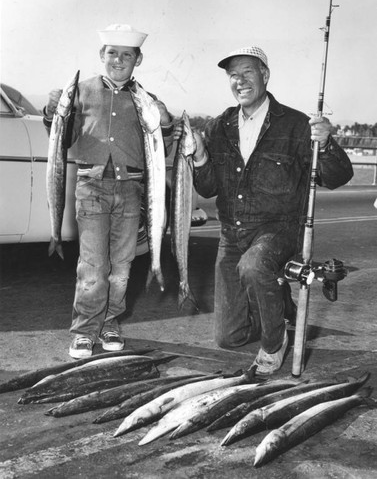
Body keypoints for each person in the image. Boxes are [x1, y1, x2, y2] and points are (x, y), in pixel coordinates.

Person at [188, 46, 353, 375]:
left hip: (277, 231)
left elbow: (338, 177)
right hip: (232, 235)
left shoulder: (295, 125)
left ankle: (274, 344)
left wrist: (328, 142)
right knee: (228, 338)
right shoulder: (220, 126)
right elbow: (207, 188)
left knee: (255, 265)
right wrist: (200, 156)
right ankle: (279, 304)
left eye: (247, 72)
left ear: (264, 75)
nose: (240, 80)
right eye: (233, 75)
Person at [43, 24, 175, 359]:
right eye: (112, 53)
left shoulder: (146, 99)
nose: (118, 60)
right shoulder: (81, 91)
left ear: (138, 59)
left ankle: (111, 323)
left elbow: (164, 145)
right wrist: (52, 111)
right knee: (92, 265)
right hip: (91, 188)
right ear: (102, 56)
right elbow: (63, 136)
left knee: (122, 266)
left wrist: (167, 120)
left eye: (126, 55)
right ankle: (84, 331)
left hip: (131, 191)